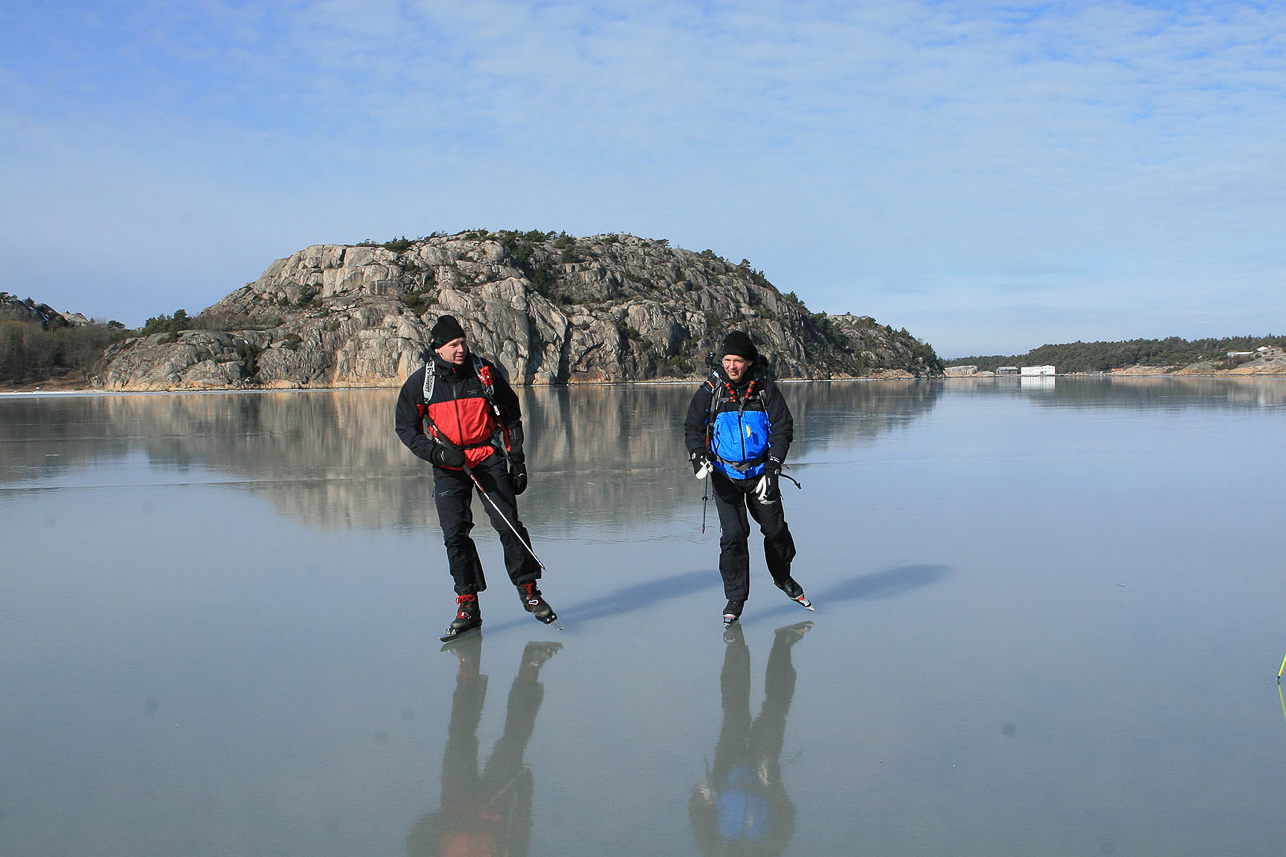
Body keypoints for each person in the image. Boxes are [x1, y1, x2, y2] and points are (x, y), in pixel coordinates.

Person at [395, 314, 556, 640]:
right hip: (449, 469)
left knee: (508, 523)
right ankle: (468, 604)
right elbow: (405, 429)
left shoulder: (483, 372)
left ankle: (529, 590)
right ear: (437, 348)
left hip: (487, 459)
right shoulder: (421, 383)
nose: (461, 348)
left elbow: (510, 414)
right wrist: (437, 454)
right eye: (454, 344)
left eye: (463, 341)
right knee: (455, 534)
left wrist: (517, 460)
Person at [684, 331, 813, 625]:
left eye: (738, 361)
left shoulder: (765, 389)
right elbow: (692, 427)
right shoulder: (711, 389)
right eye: (727, 360)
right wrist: (697, 457)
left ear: (749, 362)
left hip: (761, 475)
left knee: (776, 531)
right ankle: (735, 598)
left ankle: (783, 578)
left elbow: (783, 427)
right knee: (734, 536)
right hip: (724, 475)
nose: (732, 366)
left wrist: (773, 468)